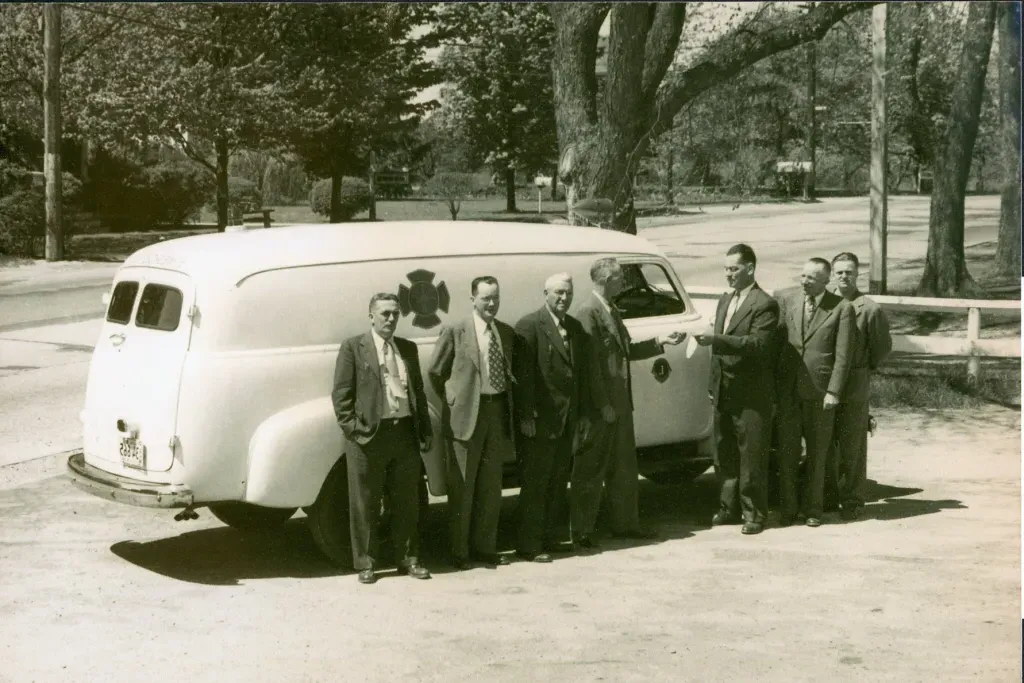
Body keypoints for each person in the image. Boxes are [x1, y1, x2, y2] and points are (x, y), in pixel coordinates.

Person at [570, 257, 686, 547]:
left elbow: (626, 350)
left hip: (621, 403)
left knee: (623, 467)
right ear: (606, 280)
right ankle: (582, 531)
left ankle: (626, 524)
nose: (623, 282)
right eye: (620, 278)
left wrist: (660, 341)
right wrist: (602, 404)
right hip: (604, 406)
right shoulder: (589, 312)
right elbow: (591, 365)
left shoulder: (611, 309)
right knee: (592, 469)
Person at [331, 293, 433, 585]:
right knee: (365, 502)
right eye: (385, 313)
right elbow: (341, 395)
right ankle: (366, 562)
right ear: (371, 315)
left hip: (404, 434)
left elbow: (419, 394)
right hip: (368, 437)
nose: (391, 319)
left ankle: (409, 559)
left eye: (395, 314)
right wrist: (354, 430)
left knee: (407, 500)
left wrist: (424, 431)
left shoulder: (407, 349)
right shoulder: (354, 348)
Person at [427, 276, 518, 569]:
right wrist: (453, 399)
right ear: (473, 299)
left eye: (496, 297)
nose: (492, 304)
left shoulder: (504, 332)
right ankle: (460, 551)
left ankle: (486, 548)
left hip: (495, 412)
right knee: (463, 487)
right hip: (465, 417)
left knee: (492, 487)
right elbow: (435, 372)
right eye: (486, 298)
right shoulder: (456, 331)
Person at [694, 244, 779, 535]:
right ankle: (728, 508)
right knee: (724, 453)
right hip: (723, 391)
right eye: (726, 269)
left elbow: (757, 345)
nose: (728, 275)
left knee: (751, 456)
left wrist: (716, 338)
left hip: (750, 395)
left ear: (750, 268)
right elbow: (717, 352)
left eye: (734, 269)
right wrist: (712, 384)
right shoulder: (724, 300)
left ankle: (754, 514)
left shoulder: (764, 304)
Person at [513, 273, 593, 562]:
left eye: (568, 293)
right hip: (539, 421)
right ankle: (530, 545)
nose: (564, 298)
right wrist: (526, 415)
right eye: (558, 293)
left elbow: (579, 375)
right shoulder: (530, 325)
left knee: (558, 483)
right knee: (535, 484)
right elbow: (522, 377)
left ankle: (550, 537)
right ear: (545, 293)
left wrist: (582, 415)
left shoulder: (574, 327)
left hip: (566, 420)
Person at [775, 258, 855, 528]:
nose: (803, 281)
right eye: (802, 276)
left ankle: (813, 509)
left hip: (821, 393)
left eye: (810, 278)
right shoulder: (790, 303)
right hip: (789, 391)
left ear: (825, 281)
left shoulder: (842, 308)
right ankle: (788, 509)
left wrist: (834, 390)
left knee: (818, 454)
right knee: (787, 452)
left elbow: (843, 356)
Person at [828, 252, 892, 520]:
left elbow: (881, 347)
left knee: (852, 444)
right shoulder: (825, 302)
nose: (844, 276)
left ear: (858, 275)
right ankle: (827, 496)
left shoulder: (870, 308)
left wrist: (862, 370)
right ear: (832, 273)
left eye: (849, 272)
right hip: (825, 381)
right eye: (840, 272)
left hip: (854, 383)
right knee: (825, 443)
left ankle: (852, 500)